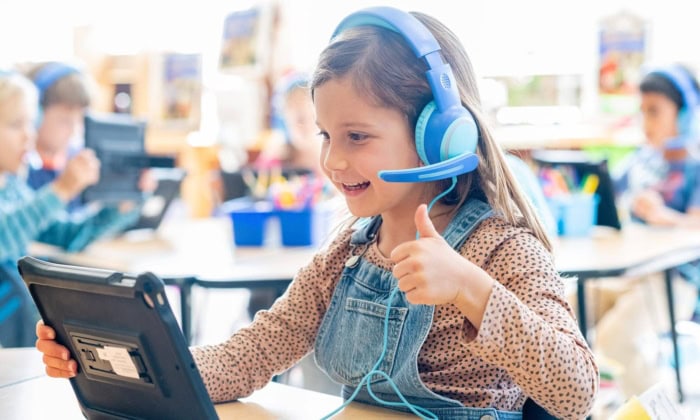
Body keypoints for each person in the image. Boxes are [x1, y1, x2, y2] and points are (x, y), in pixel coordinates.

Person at [36, 7, 598, 418]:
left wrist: (473, 291)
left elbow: (576, 392)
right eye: (327, 134)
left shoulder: (501, 250)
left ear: (438, 135)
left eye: (357, 136)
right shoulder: (350, 252)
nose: (332, 160)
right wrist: (123, 365)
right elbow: (257, 352)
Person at [0, 71, 142, 348]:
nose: (29, 136)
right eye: (16, 125)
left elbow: (66, 236)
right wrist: (61, 190)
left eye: (31, 124)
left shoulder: (12, 187)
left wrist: (120, 205)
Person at [615, 64, 700, 227]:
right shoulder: (641, 159)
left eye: (654, 112)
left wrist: (661, 215)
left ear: (684, 114)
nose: (646, 123)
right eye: (643, 111)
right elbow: (608, 192)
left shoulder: (695, 167)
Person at [23, 62, 92, 211]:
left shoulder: (75, 161)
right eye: (64, 121)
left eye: (79, 120)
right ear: (35, 116)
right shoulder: (18, 171)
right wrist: (62, 189)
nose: (73, 132)